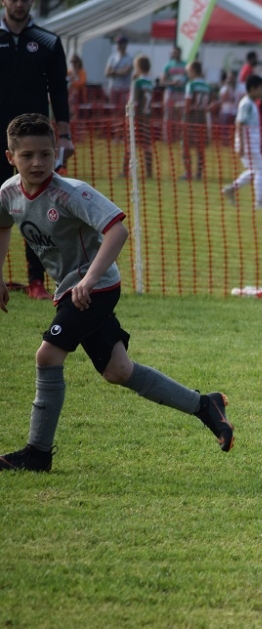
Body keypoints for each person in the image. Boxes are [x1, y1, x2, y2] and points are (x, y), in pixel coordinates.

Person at [0, 113, 234, 472]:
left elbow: (117, 231)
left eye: (46, 154)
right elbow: (3, 225)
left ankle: (37, 453)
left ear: (55, 152)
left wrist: (89, 279)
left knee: (47, 356)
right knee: (118, 370)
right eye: (27, 155)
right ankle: (206, 405)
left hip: (97, 288)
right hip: (71, 289)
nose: (37, 163)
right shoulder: (9, 192)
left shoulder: (70, 192)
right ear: (10, 157)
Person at [1, 0, 75, 301]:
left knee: (36, 211)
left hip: (33, 144)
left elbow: (59, 88)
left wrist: (65, 136)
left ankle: (36, 281)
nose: (19, 4)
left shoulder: (48, 42)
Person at [222, 74, 262, 209]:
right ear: (252, 89)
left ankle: (231, 189)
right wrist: (241, 145)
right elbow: (240, 123)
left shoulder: (252, 103)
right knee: (261, 170)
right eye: (261, 89)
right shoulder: (246, 103)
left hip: (251, 143)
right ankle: (259, 202)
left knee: (254, 171)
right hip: (248, 143)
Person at [122, 54, 154, 179]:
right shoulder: (150, 83)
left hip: (136, 116)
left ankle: (125, 171)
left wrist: (129, 115)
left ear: (138, 67)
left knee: (130, 143)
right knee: (147, 144)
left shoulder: (138, 82)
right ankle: (149, 171)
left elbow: (133, 101)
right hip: (146, 116)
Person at [179, 60, 211, 181]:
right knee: (200, 146)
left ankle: (188, 172)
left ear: (193, 70)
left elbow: (188, 104)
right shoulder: (207, 86)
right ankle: (198, 173)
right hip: (202, 118)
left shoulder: (191, 85)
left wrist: (184, 115)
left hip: (191, 118)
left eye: (188, 71)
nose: (187, 73)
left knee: (185, 146)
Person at [161, 45, 187, 132]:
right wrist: (172, 83)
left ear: (179, 53)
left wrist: (183, 83)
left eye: (175, 52)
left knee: (180, 116)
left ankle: (179, 135)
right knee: (168, 115)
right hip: (170, 92)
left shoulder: (186, 65)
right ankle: (167, 136)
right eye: (172, 52)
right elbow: (162, 81)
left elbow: (190, 79)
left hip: (182, 93)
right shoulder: (168, 65)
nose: (173, 54)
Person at [104, 35, 133, 109]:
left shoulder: (129, 58)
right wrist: (119, 71)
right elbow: (107, 73)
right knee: (113, 109)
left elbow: (125, 72)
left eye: (120, 43)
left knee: (123, 109)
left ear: (125, 44)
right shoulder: (112, 57)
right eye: (117, 43)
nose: (118, 45)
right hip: (113, 88)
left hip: (124, 89)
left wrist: (113, 72)